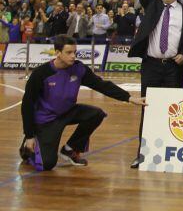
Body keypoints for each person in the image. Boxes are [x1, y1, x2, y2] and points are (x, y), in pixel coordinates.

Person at [19, 35, 146, 171]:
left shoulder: (79, 69)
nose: (73, 56)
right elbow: (27, 105)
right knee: (47, 164)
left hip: (67, 112)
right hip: (46, 120)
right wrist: (29, 135)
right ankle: (27, 148)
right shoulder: (41, 74)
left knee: (96, 114)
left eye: (75, 52)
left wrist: (129, 98)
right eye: (69, 52)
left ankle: (70, 149)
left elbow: (101, 85)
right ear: (57, 53)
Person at [124, 0, 183, 168]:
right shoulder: (152, 3)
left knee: (174, 110)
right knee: (147, 109)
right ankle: (143, 153)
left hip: (174, 67)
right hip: (151, 65)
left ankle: (171, 153)